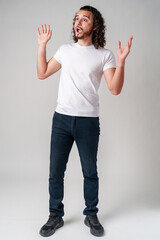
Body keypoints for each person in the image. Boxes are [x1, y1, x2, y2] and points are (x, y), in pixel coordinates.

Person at [37, 5, 133, 237]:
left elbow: (115, 89)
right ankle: (55, 215)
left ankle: (91, 214)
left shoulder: (104, 54)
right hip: (61, 120)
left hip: (88, 122)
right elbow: (42, 73)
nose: (78, 22)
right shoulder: (65, 50)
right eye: (76, 18)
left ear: (95, 25)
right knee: (55, 171)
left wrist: (121, 63)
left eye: (85, 19)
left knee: (90, 171)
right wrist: (42, 46)